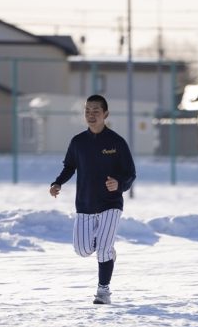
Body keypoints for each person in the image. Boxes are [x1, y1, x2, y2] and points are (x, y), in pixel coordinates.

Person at [49, 94, 136, 305]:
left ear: (105, 114)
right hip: (85, 204)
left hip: (111, 203)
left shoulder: (116, 142)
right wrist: (58, 183)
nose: (91, 114)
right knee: (82, 250)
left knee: (103, 249)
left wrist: (119, 184)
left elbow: (130, 173)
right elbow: (69, 166)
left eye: (96, 111)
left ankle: (103, 291)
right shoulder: (78, 142)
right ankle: (108, 254)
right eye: (87, 111)